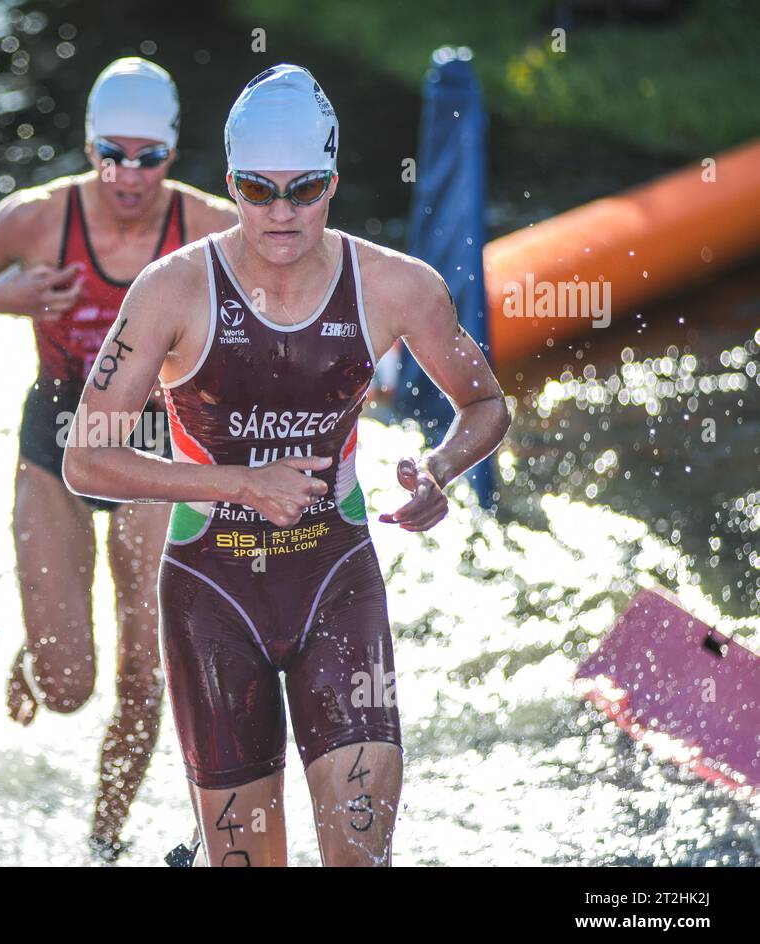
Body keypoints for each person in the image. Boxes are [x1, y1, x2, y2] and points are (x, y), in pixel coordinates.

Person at [63, 64, 512, 866]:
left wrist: (440, 468)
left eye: (303, 189)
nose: (280, 212)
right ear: (228, 182)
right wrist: (237, 483)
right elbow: (85, 458)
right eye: (256, 189)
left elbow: (486, 405)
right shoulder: (173, 291)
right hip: (212, 592)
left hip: (336, 580)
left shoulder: (398, 287)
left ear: (334, 181)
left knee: (357, 858)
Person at [0, 58, 238, 861]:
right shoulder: (35, 219)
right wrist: (2, 298)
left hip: (153, 453)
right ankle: (38, 651)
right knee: (69, 688)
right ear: (89, 145)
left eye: (149, 157)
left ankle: (102, 841)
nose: (128, 175)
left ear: (172, 152)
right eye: (111, 154)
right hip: (57, 448)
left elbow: (282, 306)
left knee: (144, 676)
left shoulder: (206, 226)